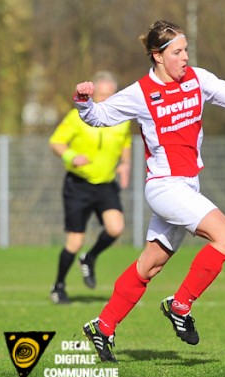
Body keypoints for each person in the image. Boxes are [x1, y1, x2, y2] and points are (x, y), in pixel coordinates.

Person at [75, 20, 225, 363]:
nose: (185, 57)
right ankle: (180, 305)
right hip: (164, 186)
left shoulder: (197, 79)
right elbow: (98, 117)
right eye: (177, 52)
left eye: (186, 50)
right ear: (158, 56)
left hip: (187, 185)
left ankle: (103, 326)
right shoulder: (140, 93)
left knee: (149, 266)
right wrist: (84, 102)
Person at [49, 71, 132, 304]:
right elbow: (56, 142)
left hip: (106, 184)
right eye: (101, 94)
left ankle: (90, 258)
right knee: (75, 241)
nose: (105, 99)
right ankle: (58, 287)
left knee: (115, 228)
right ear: (93, 93)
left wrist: (125, 164)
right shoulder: (77, 116)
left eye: (110, 94)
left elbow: (126, 142)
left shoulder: (121, 118)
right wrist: (71, 155)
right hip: (78, 185)